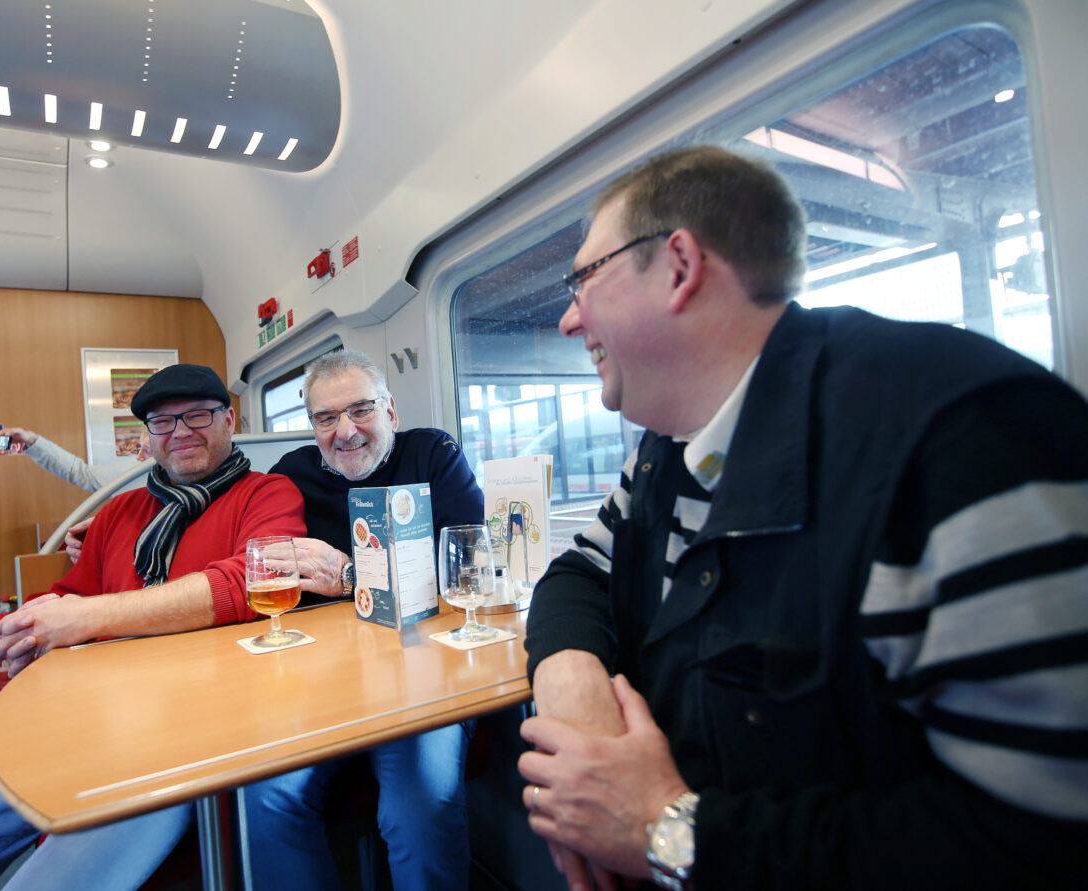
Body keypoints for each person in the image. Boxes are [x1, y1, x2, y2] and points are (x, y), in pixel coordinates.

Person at [515, 144, 1088, 890]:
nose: (567, 318)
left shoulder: (959, 445)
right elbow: (581, 570)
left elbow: (1040, 844)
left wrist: (665, 828)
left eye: (584, 277)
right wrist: (572, 689)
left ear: (680, 266)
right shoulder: (667, 450)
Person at [0, 363, 306, 891]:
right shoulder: (119, 513)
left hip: (182, 745)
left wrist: (83, 618)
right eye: (161, 422)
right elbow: (72, 595)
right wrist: (31, 629)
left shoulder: (267, 495)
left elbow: (242, 586)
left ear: (229, 419)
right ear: (147, 437)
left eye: (197, 415)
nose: (180, 432)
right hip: (85, 725)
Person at [242, 348, 486, 890]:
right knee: (264, 798)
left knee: (420, 804)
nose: (345, 431)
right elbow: (235, 522)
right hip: (326, 681)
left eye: (361, 410)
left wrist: (352, 579)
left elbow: (466, 571)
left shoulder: (433, 454)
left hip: (425, 670)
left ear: (391, 412)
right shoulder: (292, 476)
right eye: (326, 418)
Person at [0, 426, 151, 493]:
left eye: (148, 451)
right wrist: (32, 440)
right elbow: (82, 473)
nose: (139, 457)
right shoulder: (135, 472)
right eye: (140, 448)